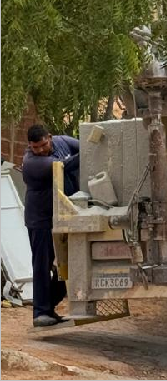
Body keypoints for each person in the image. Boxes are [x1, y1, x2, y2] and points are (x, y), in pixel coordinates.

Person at [22, 124, 79, 327]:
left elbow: (82, 147)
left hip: (65, 215)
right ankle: (40, 313)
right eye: (35, 147)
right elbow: (66, 165)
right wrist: (90, 152)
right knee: (42, 265)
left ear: (50, 138)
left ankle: (49, 306)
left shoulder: (63, 141)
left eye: (43, 145)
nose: (40, 150)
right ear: (30, 146)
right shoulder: (32, 162)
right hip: (41, 219)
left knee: (71, 262)